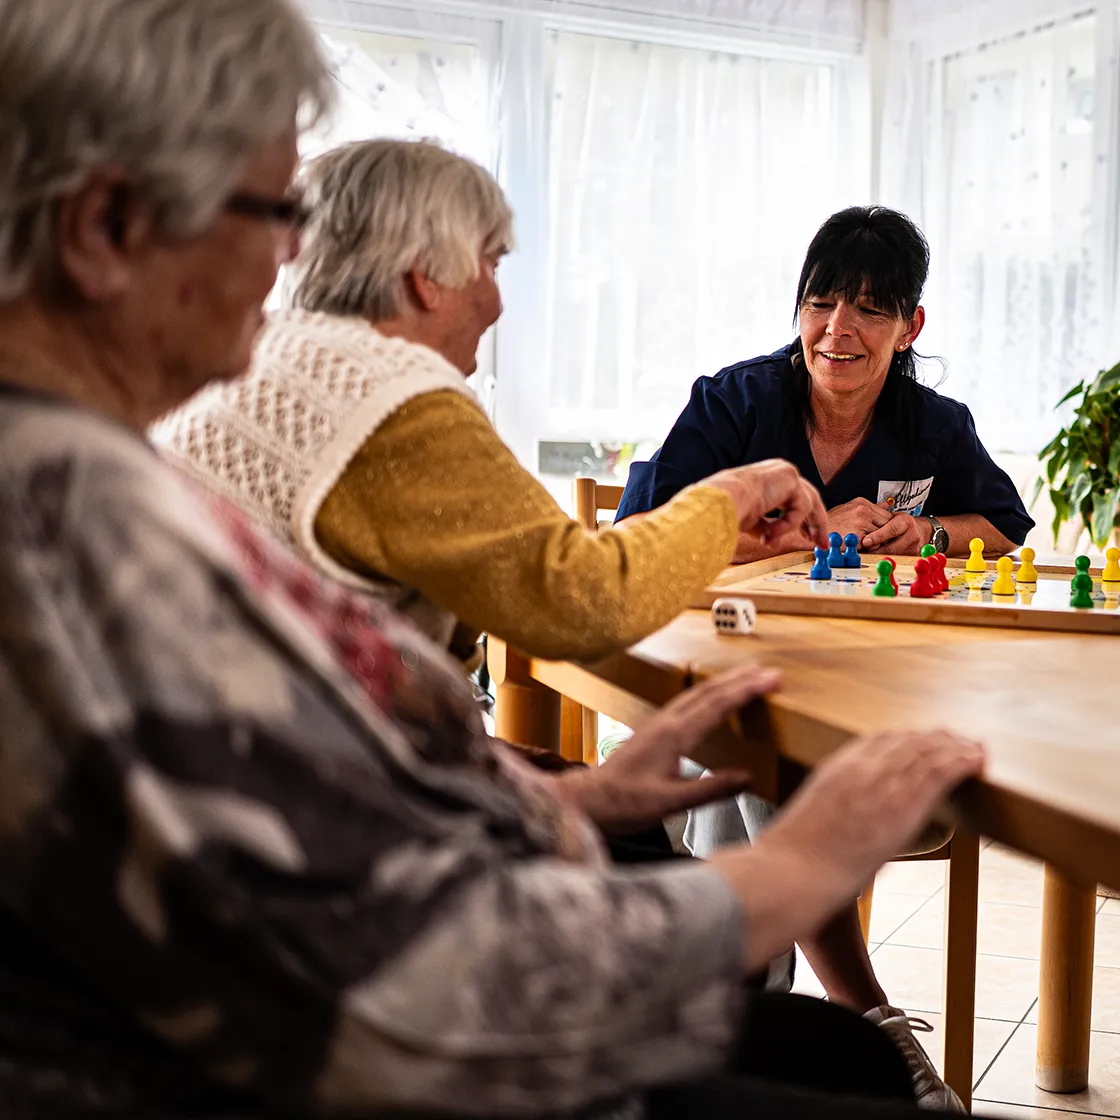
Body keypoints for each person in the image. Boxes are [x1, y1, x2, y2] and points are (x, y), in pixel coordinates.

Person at [0, 2, 988, 1116]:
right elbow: (397, 976)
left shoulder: (96, 465)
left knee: (797, 1009)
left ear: (906, 326)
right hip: (387, 1047)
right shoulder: (71, 508)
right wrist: (792, 869)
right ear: (105, 227)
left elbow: (303, 777)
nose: (292, 257)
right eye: (271, 208)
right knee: (827, 1041)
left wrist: (548, 796)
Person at [151, 139, 824, 666]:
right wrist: (742, 488)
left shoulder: (252, 356)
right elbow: (585, 601)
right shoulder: (389, 399)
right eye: (492, 264)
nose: (497, 303)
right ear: (426, 278)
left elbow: (520, 568)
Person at [615, 205, 1034, 562]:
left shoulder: (936, 423)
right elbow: (638, 531)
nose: (836, 328)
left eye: (869, 310)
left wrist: (930, 532)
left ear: (909, 329)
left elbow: (1005, 524)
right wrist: (811, 533)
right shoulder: (733, 402)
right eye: (819, 304)